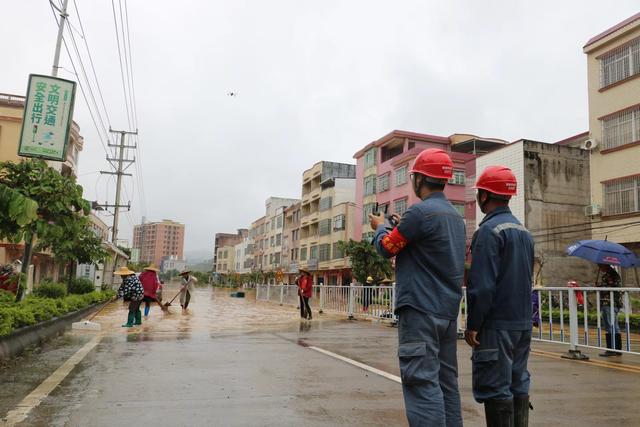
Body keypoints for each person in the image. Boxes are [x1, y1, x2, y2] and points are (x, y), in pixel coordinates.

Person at [370, 148, 466, 427]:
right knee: (446, 382)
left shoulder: (419, 212)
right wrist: (400, 226)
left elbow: (387, 248)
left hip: (420, 310)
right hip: (447, 313)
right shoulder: (454, 217)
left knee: (421, 381)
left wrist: (379, 227)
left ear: (419, 179)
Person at [464, 165, 535, 427]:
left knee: (495, 388)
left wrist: (473, 325)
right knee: (518, 384)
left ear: (483, 195)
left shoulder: (488, 232)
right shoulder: (523, 232)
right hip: (522, 325)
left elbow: (482, 286)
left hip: (496, 326)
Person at [597, 264, 623, 357]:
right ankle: (616, 349)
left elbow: (612, 287)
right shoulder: (610, 274)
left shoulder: (611, 275)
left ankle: (612, 349)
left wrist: (599, 287)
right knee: (613, 326)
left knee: (610, 325)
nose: (599, 267)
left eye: (600, 266)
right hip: (609, 303)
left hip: (609, 303)